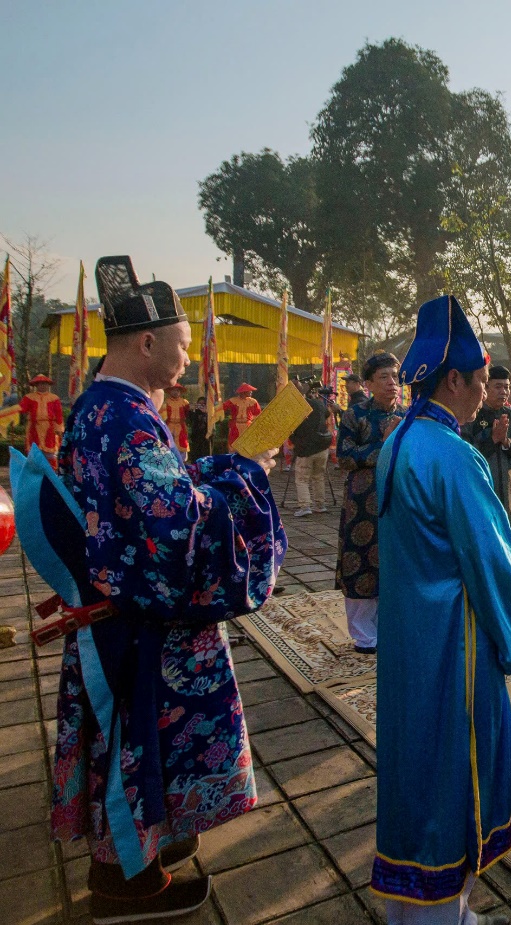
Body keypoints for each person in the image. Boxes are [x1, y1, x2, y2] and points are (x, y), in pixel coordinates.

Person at [39, 255, 283, 922]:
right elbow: (177, 524)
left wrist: (220, 467)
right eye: (181, 345)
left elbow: (158, 491)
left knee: (126, 741)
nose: (185, 358)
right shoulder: (128, 421)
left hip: (114, 610)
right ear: (146, 343)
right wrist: (242, 481)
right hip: (141, 621)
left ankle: (140, 848)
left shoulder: (101, 407)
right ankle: (126, 883)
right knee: (135, 739)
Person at [372, 295, 511, 925]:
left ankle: (408, 898)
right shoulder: (453, 454)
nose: (482, 392)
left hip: (408, 633)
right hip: (450, 642)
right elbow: (493, 561)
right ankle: (439, 913)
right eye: (479, 380)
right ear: (456, 379)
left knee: (411, 758)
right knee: (452, 765)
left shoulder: (399, 442)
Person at [336, 352, 403, 654]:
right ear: (368, 383)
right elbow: (345, 456)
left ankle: (390, 626)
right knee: (361, 559)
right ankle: (364, 636)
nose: (392, 383)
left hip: (398, 498)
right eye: (384, 377)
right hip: (363, 501)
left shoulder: (407, 414)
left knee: (394, 560)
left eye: (395, 376)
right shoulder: (355, 415)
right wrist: (383, 444)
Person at [462, 365, 511, 545]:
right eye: (498, 387)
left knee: (510, 540)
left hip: (507, 488)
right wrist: (492, 440)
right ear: (486, 387)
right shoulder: (472, 414)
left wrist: (506, 442)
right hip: (481, 487)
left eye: (506, 387)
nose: (504, 392)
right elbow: (466, 455)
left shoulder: (509, 414)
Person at [290, 379, 333, 517]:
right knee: (318, 476)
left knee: (302, 478)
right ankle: (320, 505)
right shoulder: (318, 403)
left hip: (306, 447)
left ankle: (305, 506)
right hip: (322, 444)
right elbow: (327, 414)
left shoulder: (296, 408)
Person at [19, 373, 65, 467]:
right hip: (33, 427)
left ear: (48, 385)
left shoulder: (54, 398)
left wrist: (59, 429)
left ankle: (52, 473)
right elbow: (21, 409)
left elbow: (59, 414)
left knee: (51, 452)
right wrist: (13, 412)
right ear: (36, 385)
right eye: (40, 384)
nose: (42, 386)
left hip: (50, 427)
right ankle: (34, 475)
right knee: (34, 451)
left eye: (45, 383)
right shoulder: (29, 397)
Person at [222, 382, 261, 447]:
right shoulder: (233, 400)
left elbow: (258, 413)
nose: (251, 392)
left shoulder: (253, 401)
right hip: (235, 425)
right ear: (244, 392)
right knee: (233, 444)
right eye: (249, 391)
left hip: (248, 425)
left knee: (247, 444)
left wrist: (252, 420)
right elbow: (222, 407)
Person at [160, 383, 190, 459]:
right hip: (168, 425)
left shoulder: (184, 402)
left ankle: (182, 462)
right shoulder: (165, 402)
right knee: (167, 442)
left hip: (180, 425)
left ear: (180, 392)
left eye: (177, 390)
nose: (175, 392)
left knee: (182, 442)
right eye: (173, 390)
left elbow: (187, 413)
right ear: (170, 391)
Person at [186, 395, 210, 461]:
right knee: (196, 452)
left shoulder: (209, 413)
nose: (202, 405)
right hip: (196, 435)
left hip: (206, 436)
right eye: (200, 404)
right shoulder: (195, 412)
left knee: (205, 452)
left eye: (203, 404)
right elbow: (190, 419)